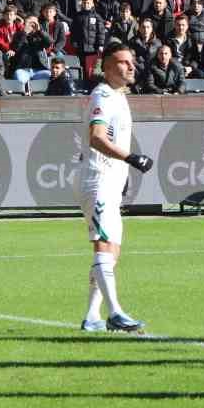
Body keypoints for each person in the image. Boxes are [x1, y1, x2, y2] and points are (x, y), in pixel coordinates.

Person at [75, 42, 154, 333]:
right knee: (103, 245)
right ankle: (116, 312)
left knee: (112, 251)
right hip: (97, 177)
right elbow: (96, 137)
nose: (130, 66)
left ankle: (93, 316)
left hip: (111, 179)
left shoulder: (119, 96)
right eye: (122, 62)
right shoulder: (103, 95)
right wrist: (131, 158)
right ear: (106, 67)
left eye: (131, 61)